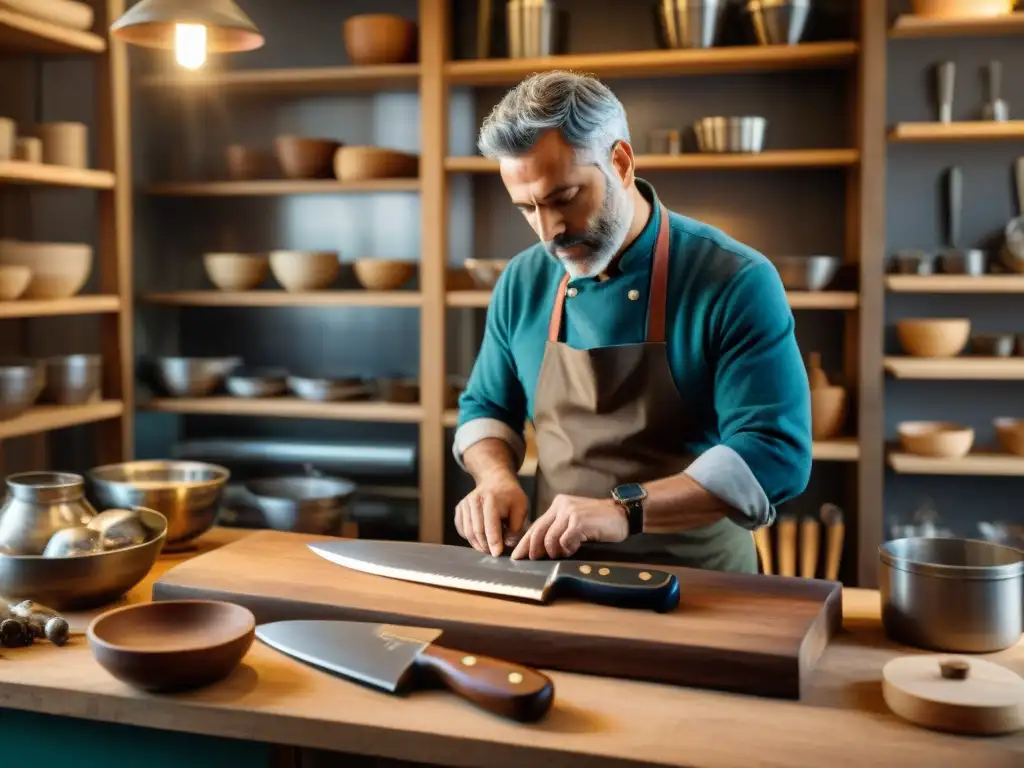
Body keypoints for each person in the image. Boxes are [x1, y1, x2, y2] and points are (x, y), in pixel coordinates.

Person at [451, 71, 812, 573]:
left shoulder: (734, 279)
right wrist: (494, 478)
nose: (548, 230)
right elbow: (485, 406)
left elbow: (775, 451)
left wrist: (624, 511)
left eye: (564, 198)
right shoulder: (523, 280)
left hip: (699, 584)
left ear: (619, 162)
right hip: (555, 574)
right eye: (527, 208)